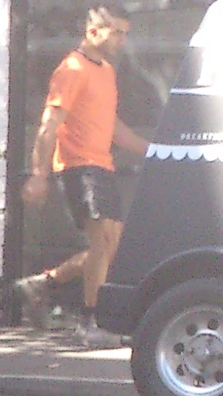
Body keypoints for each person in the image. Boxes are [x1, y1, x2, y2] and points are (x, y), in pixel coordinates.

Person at [12, 7, 153, 345]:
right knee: (103, 242)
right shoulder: (71, 69)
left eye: (124, 33)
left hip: (103, 166)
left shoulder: (105, 71)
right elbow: (49, 126)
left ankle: (42, 284)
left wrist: (153, 150)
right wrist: (38, 175)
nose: (122, 40)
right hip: (79, 167)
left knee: (110, 246)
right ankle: (90, 323)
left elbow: (112, 126)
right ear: (93, 32)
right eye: (116, 33)